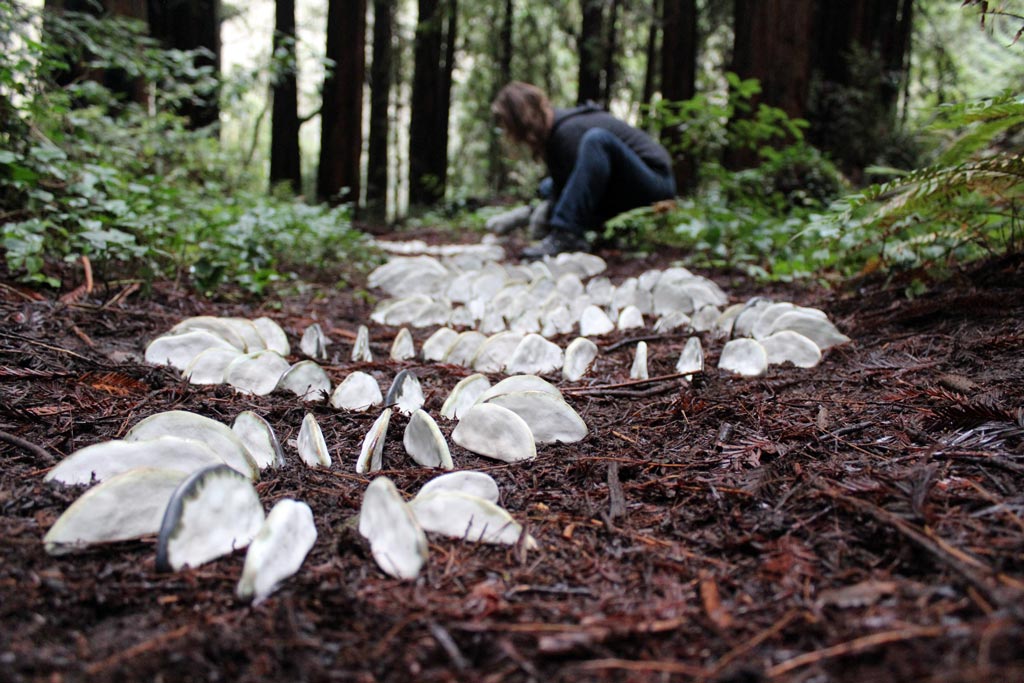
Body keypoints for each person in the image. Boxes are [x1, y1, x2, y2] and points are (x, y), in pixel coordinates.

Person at [491, 81, 677, 260]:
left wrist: (557, 219)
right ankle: (531, 212)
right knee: (549, 186)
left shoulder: (568, 133)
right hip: (629, 183)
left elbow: (584, 189)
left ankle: (566, 234)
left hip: (656, 183)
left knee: (597, 140)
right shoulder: (558, 134)